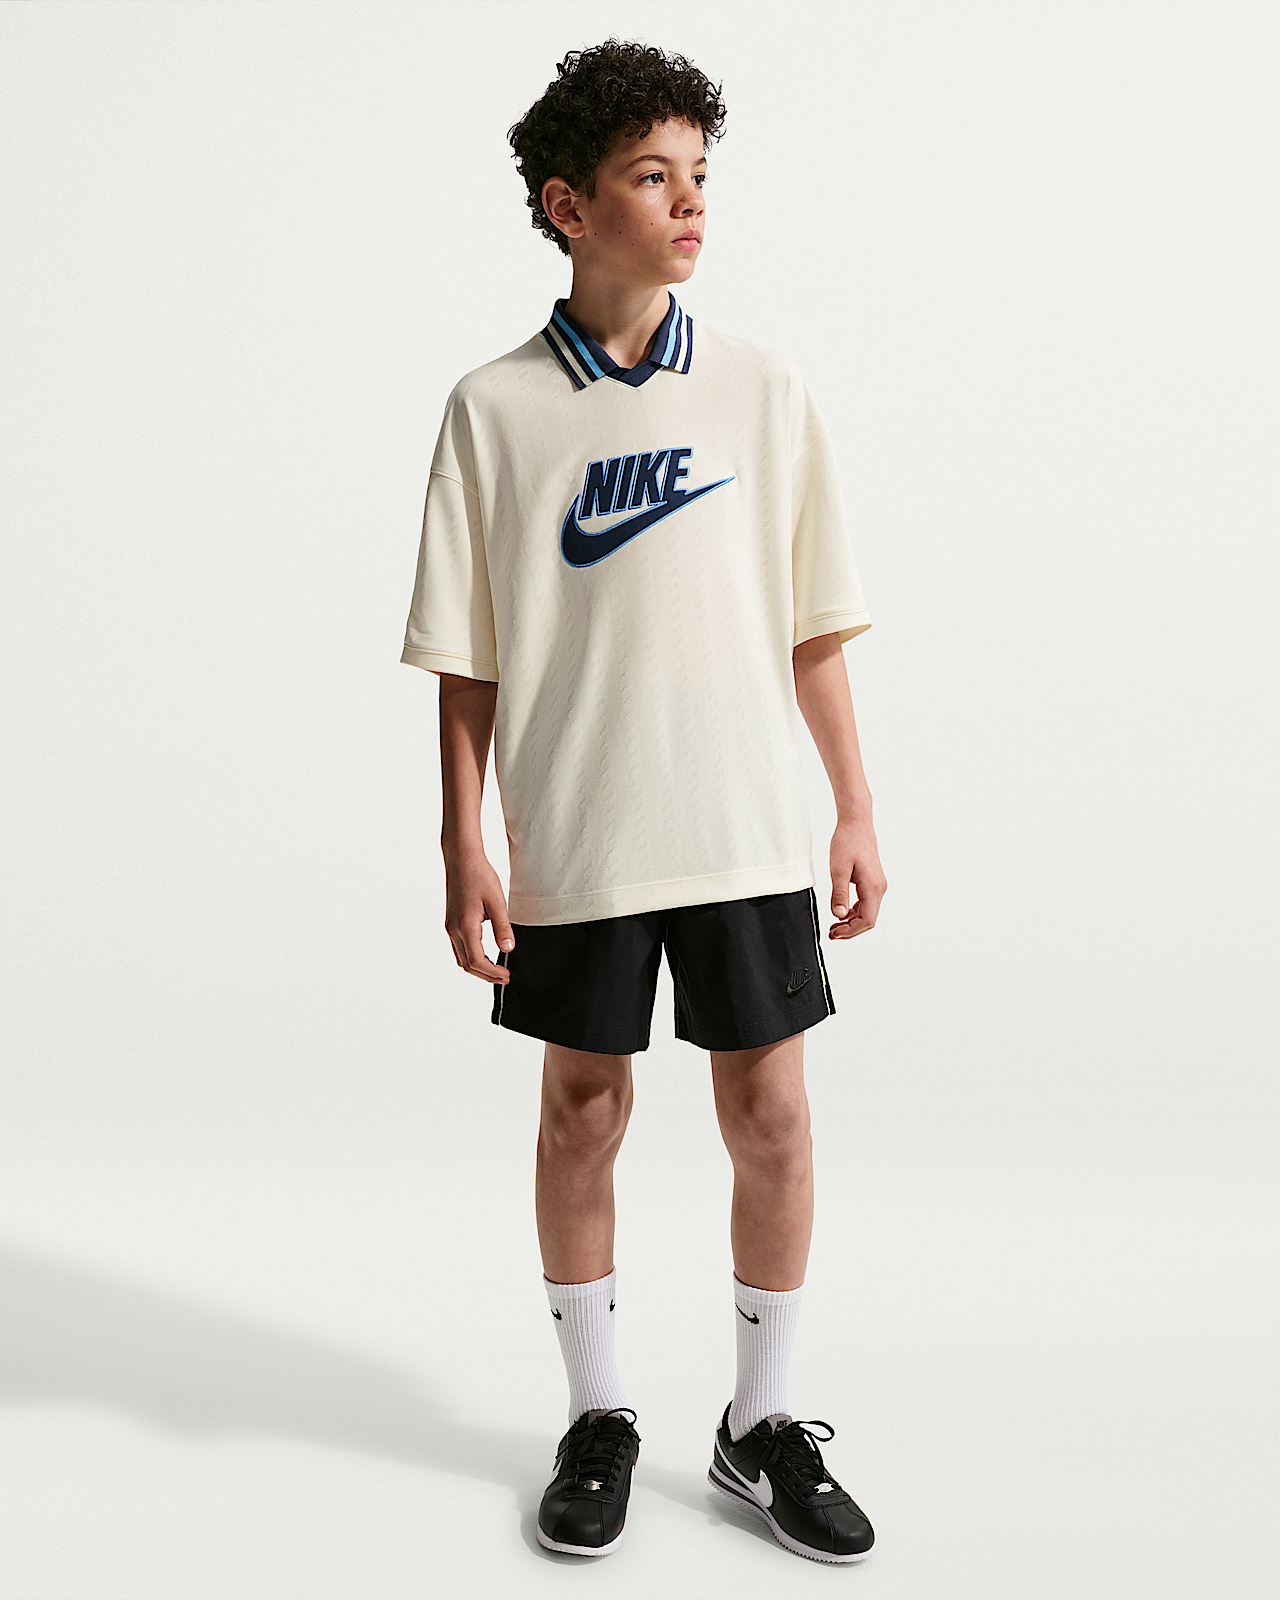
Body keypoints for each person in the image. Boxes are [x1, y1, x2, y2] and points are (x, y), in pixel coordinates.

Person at [400, 38, 885, 1565]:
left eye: (700, 176)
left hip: (741, 822)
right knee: (582, 1112)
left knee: (774, 1115)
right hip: (581, 832)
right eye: (651, 177)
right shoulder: (493, 410)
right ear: (569, 205)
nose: (689, 204)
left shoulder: (762, 389)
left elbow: (814, 623)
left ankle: (762, 1423)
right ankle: (599, 1413)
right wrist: (462, 839)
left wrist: (854, 807)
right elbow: (466, 659)